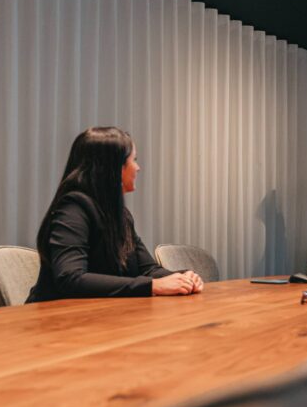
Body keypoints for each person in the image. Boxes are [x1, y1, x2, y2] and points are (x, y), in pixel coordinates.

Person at [27, 127, 203, 302]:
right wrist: (151, 286)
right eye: (134, 160)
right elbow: (70, 278)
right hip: (55, 321)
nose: (138, 168)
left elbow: (148, 270)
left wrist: (183, 277)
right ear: (114, 168)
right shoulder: (73, 209)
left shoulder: (119, 215)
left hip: (98, 317)